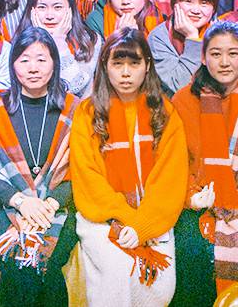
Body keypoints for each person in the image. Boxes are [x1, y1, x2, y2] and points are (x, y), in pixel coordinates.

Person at [69, 28, 187, 305]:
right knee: (118, 271)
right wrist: (127, 220)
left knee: (161, 286)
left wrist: (143, 224)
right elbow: (88, 179)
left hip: (154, 217)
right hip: (103, 219)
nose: (125, 73)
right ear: (104, 66)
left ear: (147, 65)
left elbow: (170, 178)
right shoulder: (88, 113)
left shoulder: (164, 112)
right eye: (117, 63)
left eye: (134, 63)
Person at [170, 21, 238, 304]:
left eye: (233, 53)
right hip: (201, 200)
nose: (224, 62)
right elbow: (173, 160)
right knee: (193, 252)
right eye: (215, 53)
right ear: (203, 57)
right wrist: (190, 196)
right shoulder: (183, 100)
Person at [0, 27, 82, 307]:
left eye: (42, 59)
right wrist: (21, 202)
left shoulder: (74, 109)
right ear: (13, 64)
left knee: (47, 266)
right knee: (18, 267)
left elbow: (82, 169)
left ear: (54, 63)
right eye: (24, 59)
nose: (33, 68)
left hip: (58, 205)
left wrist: (50, 204)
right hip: (6, 206)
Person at [21, 0, 100, 97]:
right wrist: (42, 40)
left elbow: (75, 86)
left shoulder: (89, 40)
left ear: (70, 9)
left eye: (57, 7)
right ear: (32, 10)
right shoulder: (21, 41)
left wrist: (59, 42)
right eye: (42, 7)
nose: (50, 16)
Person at [148, 0, 219, 93]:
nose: (196, 10)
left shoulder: (221, 35)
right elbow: (179, 86)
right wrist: (192, 38)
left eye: (204, 3)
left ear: (213, 8)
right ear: (175, 3)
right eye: (188, 1)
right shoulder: (159, 37)